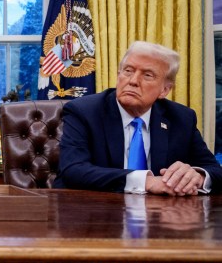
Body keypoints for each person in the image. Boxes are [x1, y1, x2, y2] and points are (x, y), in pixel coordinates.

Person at [54, 40, 222, 195]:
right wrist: (147, 182)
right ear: (119, 75)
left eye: (147, 75)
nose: (133, 81)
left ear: (165, 90)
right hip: (92, 215)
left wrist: (197, 176)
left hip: (161, 218)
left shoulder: (182, 118)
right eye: (128, 71)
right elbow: (73, 170)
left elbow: (214, 170)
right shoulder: (84, 111)